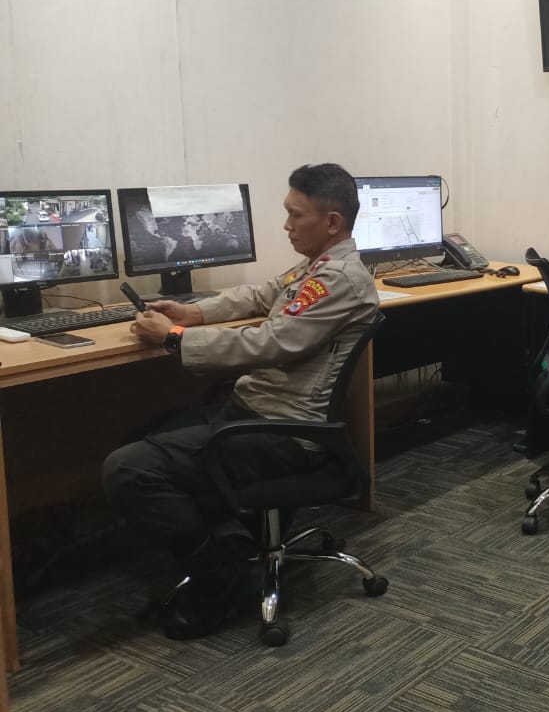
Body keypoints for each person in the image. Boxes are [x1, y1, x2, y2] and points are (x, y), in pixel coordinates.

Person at [102, 163, 380, 639]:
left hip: (283, 432)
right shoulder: (317, 266)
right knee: (145, 435)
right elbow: (261, 294)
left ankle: (218, 578)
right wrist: (191, 312)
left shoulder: (337, 279)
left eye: (296, 215)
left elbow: (270, 343)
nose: (286, 225)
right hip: (259, 411)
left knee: (127, 469)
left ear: (332, 222)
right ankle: (235, 536)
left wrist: (173, 338)